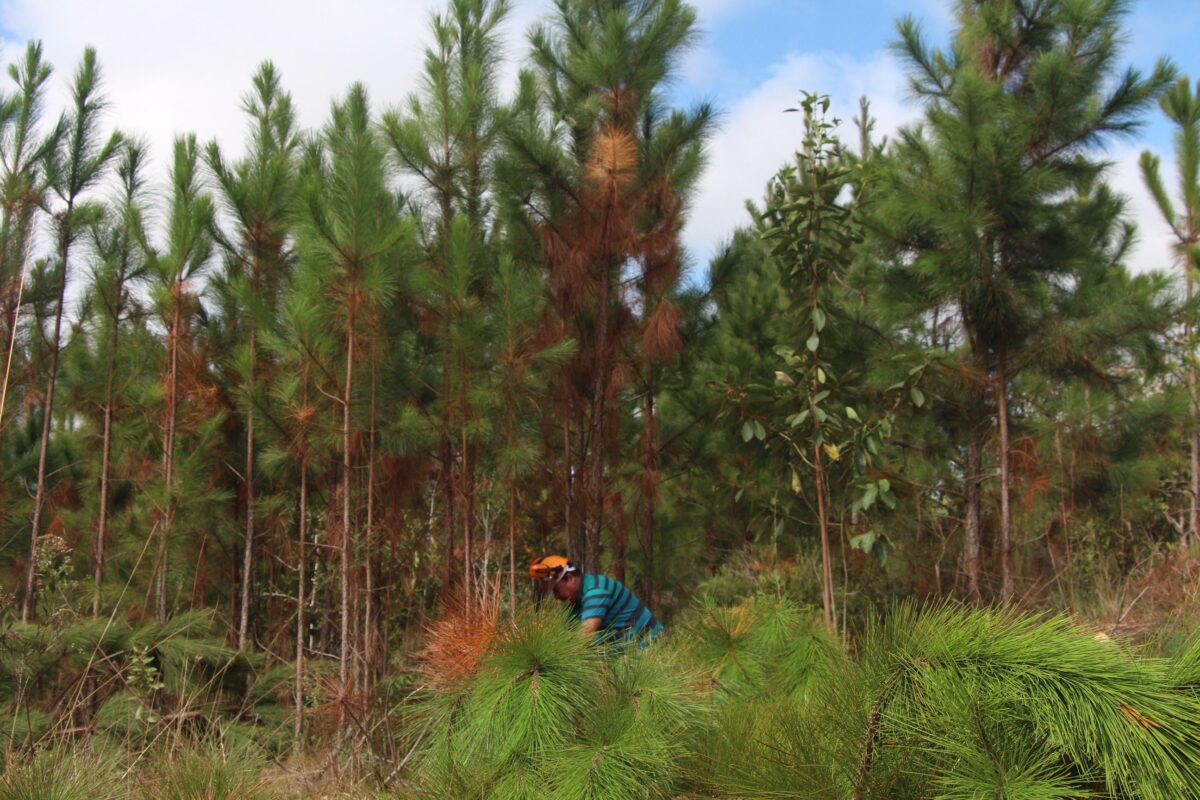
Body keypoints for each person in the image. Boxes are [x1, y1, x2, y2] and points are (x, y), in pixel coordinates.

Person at [529, 555, 664, 646]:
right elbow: (561, 634)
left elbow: (585, 636)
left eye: (556, 590)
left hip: (649, 651)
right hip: (624, 656)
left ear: (569, 578)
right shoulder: (574, 601)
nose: (555, 597)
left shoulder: (596, 590)